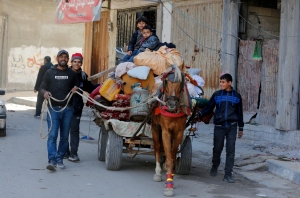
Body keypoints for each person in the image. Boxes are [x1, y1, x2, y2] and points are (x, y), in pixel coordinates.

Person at [198, 73, 244, 183]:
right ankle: (214, 166)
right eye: (220, 82)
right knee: (217, 149)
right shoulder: (217, 95)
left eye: (223, 82)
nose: (221, 84)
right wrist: (199, 114)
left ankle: (228, 174)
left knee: (230, 151)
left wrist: (241, 127)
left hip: (232, 127)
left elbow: (239, 112)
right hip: (219, 126)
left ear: (230, 83)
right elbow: (209, 107)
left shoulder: (237, 96)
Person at [40, 50, 78, 171]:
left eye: (65, 57)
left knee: (64, 137)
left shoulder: (72, 74)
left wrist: (75, 89)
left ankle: (60, 159)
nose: (63, 59)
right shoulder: (49, 72)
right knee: (52, 135)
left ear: (68, 60)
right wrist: (45, 93)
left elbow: (77, 87)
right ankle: (52, 160)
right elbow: (42, 87)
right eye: (61, 57)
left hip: (68, 109)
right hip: (53, 109)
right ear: (57, 58)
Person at [65, 53, 97, 162]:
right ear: (71, 62)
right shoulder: (65, 73)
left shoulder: (83, 75)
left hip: (77, 108)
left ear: (81, 63)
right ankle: (65, 151)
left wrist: (103, 85)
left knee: (74, 130)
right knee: (64, 130)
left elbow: (90, 88)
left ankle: (73, 153)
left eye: (79, 62)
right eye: (75, 61)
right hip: (65, 107)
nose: (77, 63)